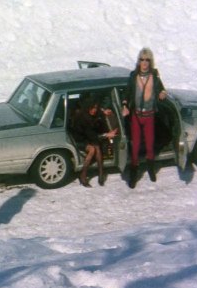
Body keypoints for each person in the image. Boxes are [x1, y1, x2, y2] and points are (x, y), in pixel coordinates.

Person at [121, 47, 168, 188]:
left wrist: (162, 93)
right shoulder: (133, 76)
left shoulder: (154, 75)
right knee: (135, 145)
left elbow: (161, 89)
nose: (144, 62)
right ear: (138, 61)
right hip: (136, 115)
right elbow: (127, 92)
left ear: (151, 61)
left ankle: (151, 169)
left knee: (149, 145)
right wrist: (125, 105)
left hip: (149, 115)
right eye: (142, 59)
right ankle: (134, 174)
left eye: (147, 60)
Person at [70, 96, 118, 187]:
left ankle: (101, 173)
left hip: (89, 137)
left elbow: (99, 112)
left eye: (95, 108)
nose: (94, 110)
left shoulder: (93, 112)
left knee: (97, 146)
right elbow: (91, 135)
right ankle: (83, 175)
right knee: (92, 149)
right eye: (92, 108)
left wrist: (104, 111)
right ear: (88, 107)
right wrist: (106, 135)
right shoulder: (83, 118)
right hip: (79, 139)